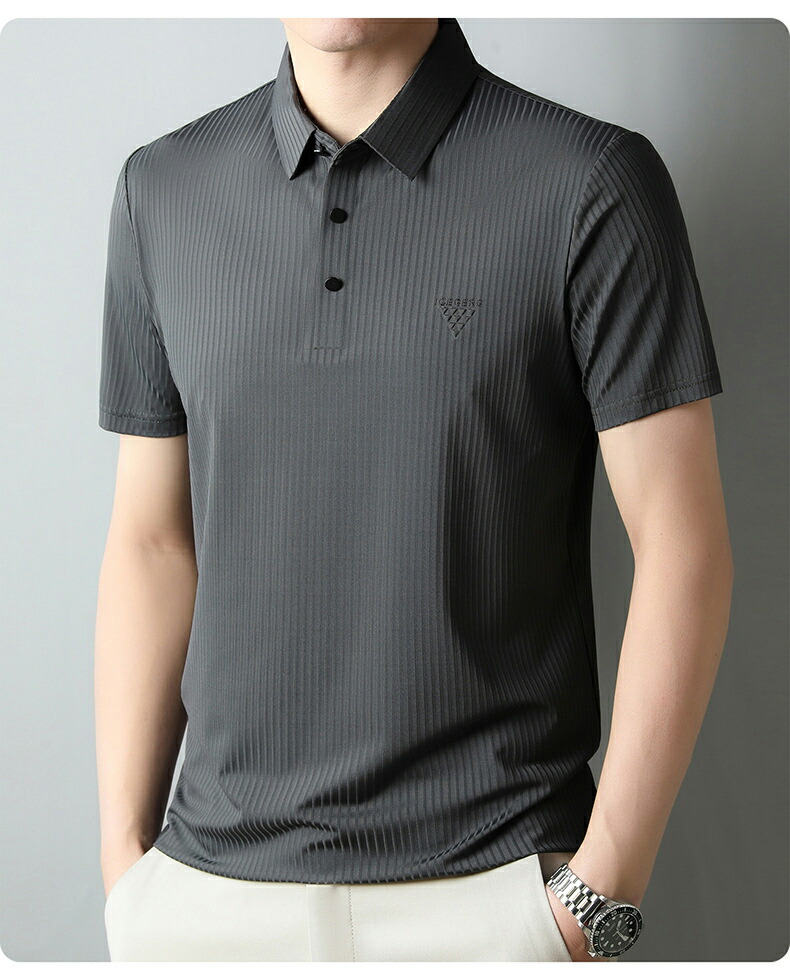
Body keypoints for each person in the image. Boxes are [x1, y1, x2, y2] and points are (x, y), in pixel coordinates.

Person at [95, 17, 732, 962]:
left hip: (492, 896)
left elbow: (684, 545)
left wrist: (598, 897)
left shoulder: (590, 180)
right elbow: (152, 543)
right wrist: (127, 876)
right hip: (206, 903)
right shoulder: (162, 189)